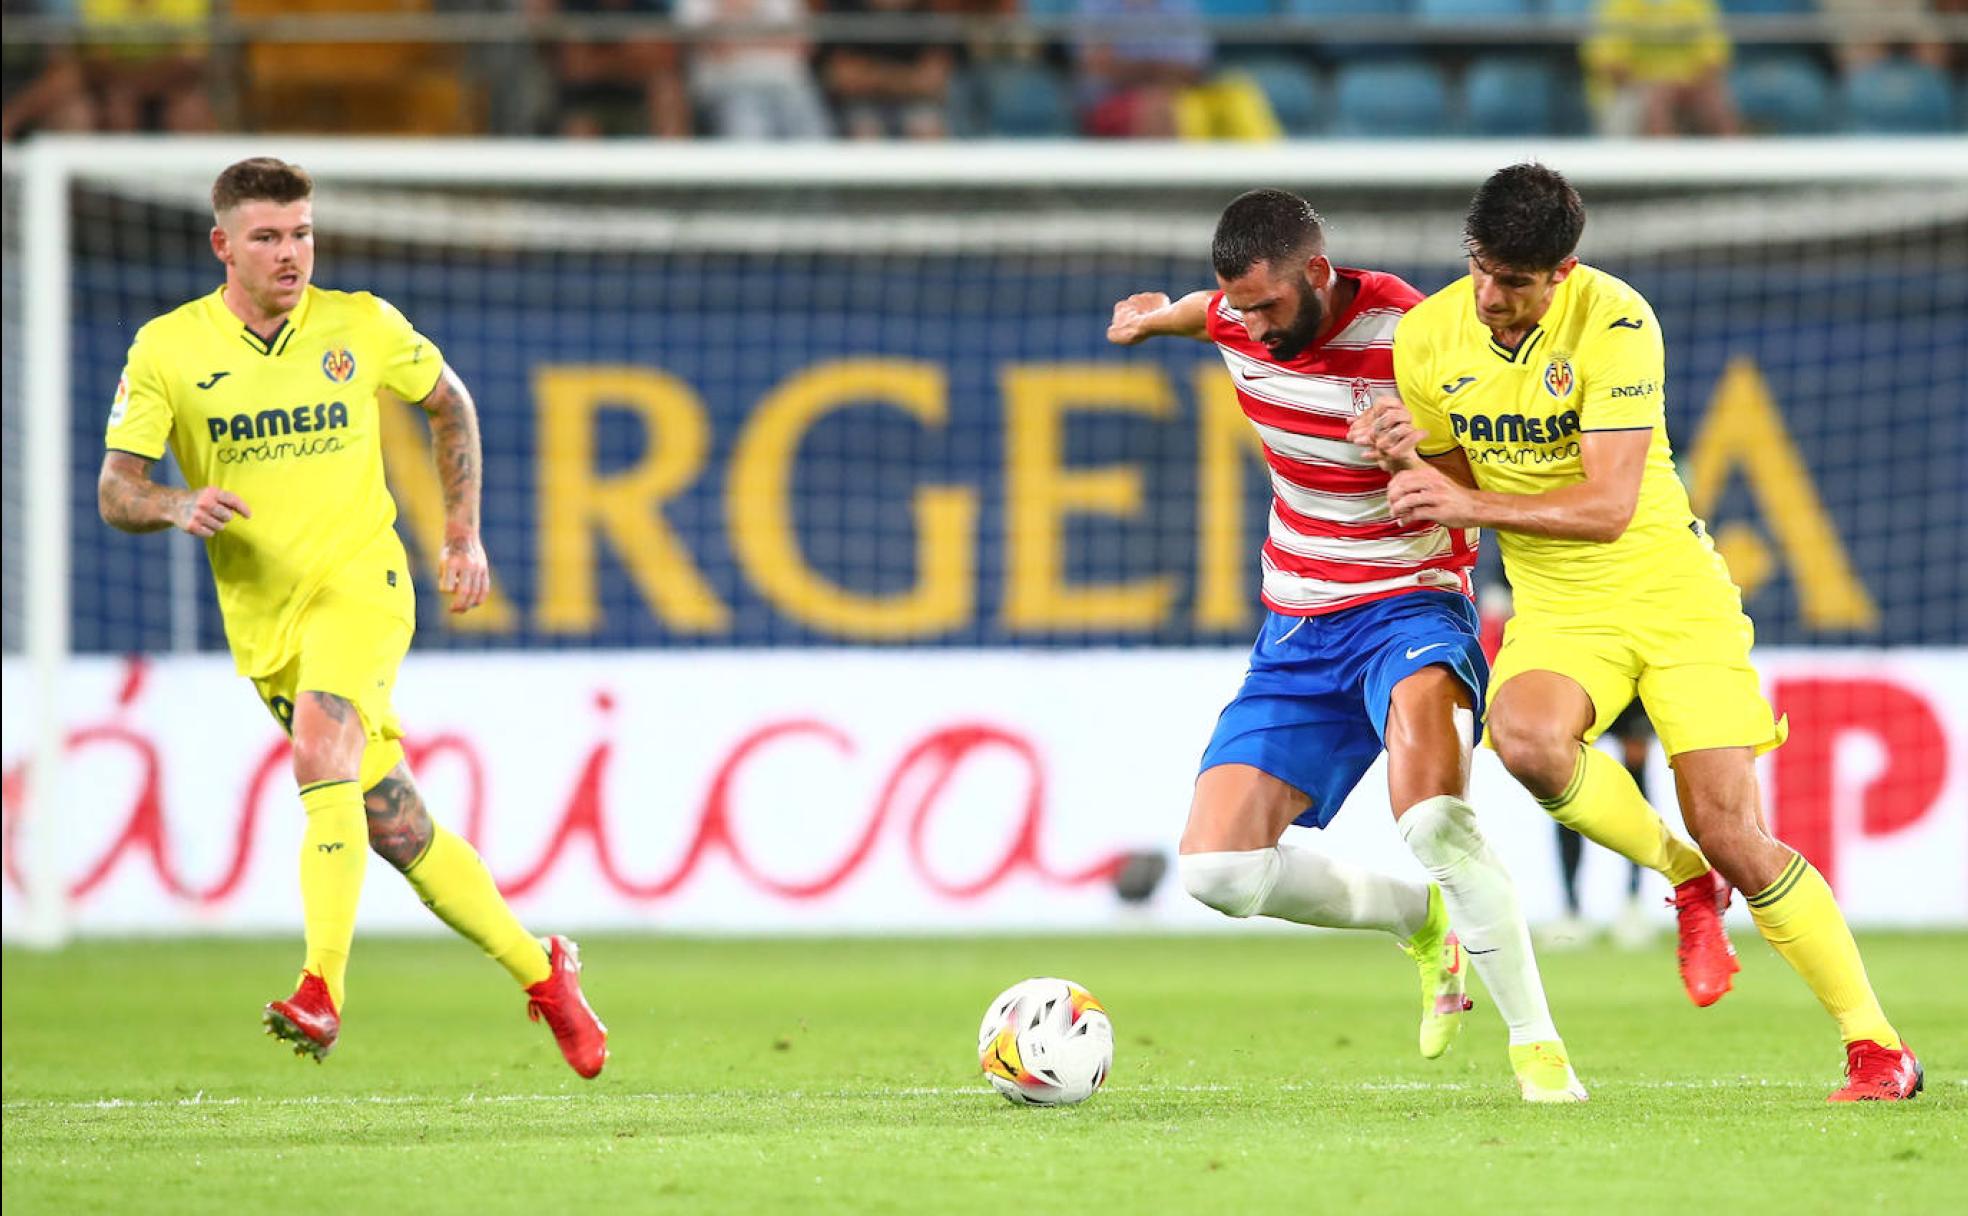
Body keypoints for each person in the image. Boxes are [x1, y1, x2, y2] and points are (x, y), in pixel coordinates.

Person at [1352, 163, 1920, 1102]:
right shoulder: (1428, 334)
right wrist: (1412, 459)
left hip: (1671, 597)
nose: (1493, 298)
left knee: (1736, 829)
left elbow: (1612, 505)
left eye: (1518, 283)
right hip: (1560, 608)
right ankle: (1681, 876)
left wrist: (1458, 492)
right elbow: (1455, 492)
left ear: (1562, 272)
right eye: (1482, 270)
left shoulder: (1619, 321)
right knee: (1524, 741)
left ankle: (1876, 1046)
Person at [97, 158, 608, 1078]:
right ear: (224, 246)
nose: (290, 253)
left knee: (321, 750)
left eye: (301, 233)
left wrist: (462, 534)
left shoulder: (360, 323)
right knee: (395, 825)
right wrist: (175, 505)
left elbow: (449, 402)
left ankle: (320, 990)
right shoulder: (165, 351)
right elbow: (117, 489)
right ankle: (546, 972)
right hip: (265, 622)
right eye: (267, 237)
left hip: (364, 583)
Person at [1108, 189, 1584, 1103]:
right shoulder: (1240, 316)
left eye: (1268, 306)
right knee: (1217, 871)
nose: (1251, 325)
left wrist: (1417, 456)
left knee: (1433, 821)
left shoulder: (1420, 336)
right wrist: (1155, 318)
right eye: (1236, 307)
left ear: (1317, 275)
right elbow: (1204, 311)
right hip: (1296, 626)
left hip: (1410, 610)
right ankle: (1420, 920)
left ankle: (1538, 1049)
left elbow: (1498, 472)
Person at [1547, 700, 1657, 951]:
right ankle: (1571, 909)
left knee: (1635, 777)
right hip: (1583, 678)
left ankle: (1633, 901)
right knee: (1567, 781)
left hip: (1629, 681)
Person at [1581, 0, 1738, 137]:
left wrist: (1681, 86)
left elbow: (1714, 58)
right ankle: (1665, 168)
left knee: (1714, 99)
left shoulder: (1696, 3)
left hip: (1688, 86)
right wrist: (1656, 88)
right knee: (1657, 102)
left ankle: (1736, 164)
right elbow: (1610, 65)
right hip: (1629, 89)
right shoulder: (1615, 5)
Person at [820, 0, 955, 140]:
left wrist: (872, 75)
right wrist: (909, 78)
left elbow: (932, 82)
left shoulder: (929, 9)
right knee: (865, 130)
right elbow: (845, 79)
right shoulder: (844, 8)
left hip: (916, 103)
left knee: (928, 128)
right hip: (858, 104)